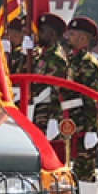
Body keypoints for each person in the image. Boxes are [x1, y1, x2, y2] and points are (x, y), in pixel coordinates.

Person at [64, 17, 98, 194]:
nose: (68, 37)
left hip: (83, 123)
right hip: (71, 122)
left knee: (86, 171)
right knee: (74, 171)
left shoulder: (88, 63)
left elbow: (91, 99)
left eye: (72, 34)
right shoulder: (72, 59)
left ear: (83, 38)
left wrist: (92, 130)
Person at [28, 13, 70, 154]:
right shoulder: (43, 54)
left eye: (42, 31)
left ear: (52, 34)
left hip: (48, 110)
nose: (39, 35)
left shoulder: (56, 58)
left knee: (47, 150)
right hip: (38, 107)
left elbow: (58, 90)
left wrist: (54, 118)